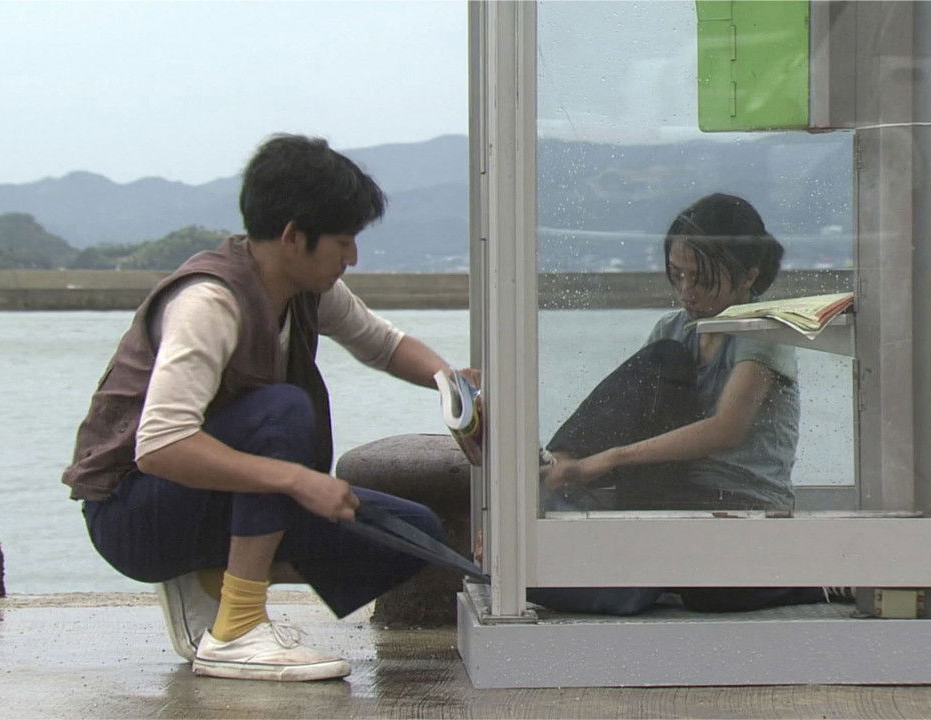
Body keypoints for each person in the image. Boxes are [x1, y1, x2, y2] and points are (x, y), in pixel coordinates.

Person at [61, 134, 467, 682]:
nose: (352, 257)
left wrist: (453, 385)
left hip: (213, 499)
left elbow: (382, 343)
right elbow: (160, 446)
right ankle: (237, 627)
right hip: (133, 513)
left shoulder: (307, 289)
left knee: (411, 533)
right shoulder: (209, 302)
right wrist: (298, 480)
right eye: (343, 240)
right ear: (293, 236)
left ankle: (210, 580)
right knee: (282, 409)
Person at [534, 192, 823, 615]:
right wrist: (578, 463)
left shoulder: (764, 332)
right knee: (661, 356)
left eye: (701, 280)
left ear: (748, 276)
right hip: (677, 491)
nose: (687, 292)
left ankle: (818, 581)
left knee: (712, 593)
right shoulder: (674, 329)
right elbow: (628, 408)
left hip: (742, 504)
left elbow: (727, 429)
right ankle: (551, 469)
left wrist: (608, 459)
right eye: (678, 275)